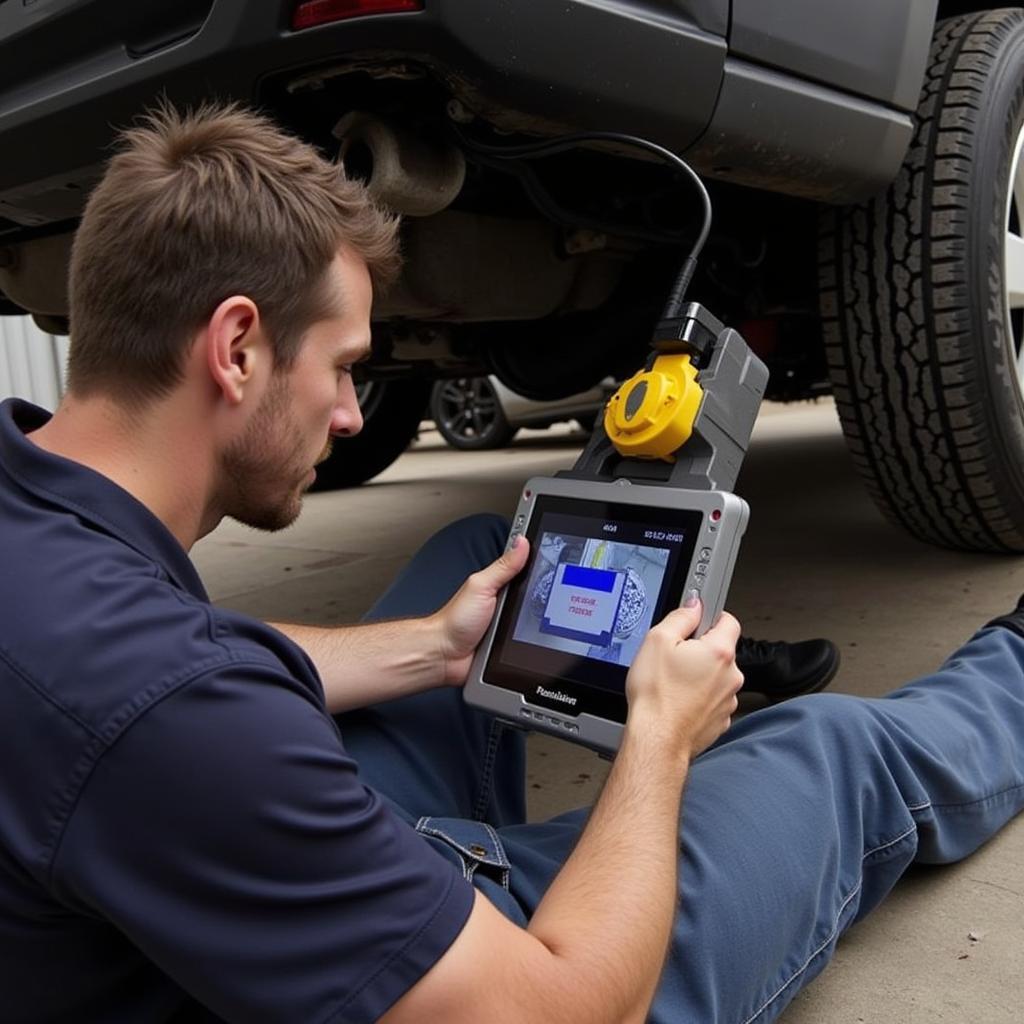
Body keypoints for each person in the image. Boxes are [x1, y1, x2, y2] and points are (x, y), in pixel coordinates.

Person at [1, 103, 1022, 1024]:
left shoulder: (41, 524)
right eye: (347, 366)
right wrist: (659, 743)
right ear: (236, 348)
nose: (354, 413)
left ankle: (652, 660)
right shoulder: (165, 711)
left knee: (483, 559)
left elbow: (193, 661)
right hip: (490, 984)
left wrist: (428, 649)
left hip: (224, 903)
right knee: (832, 746)